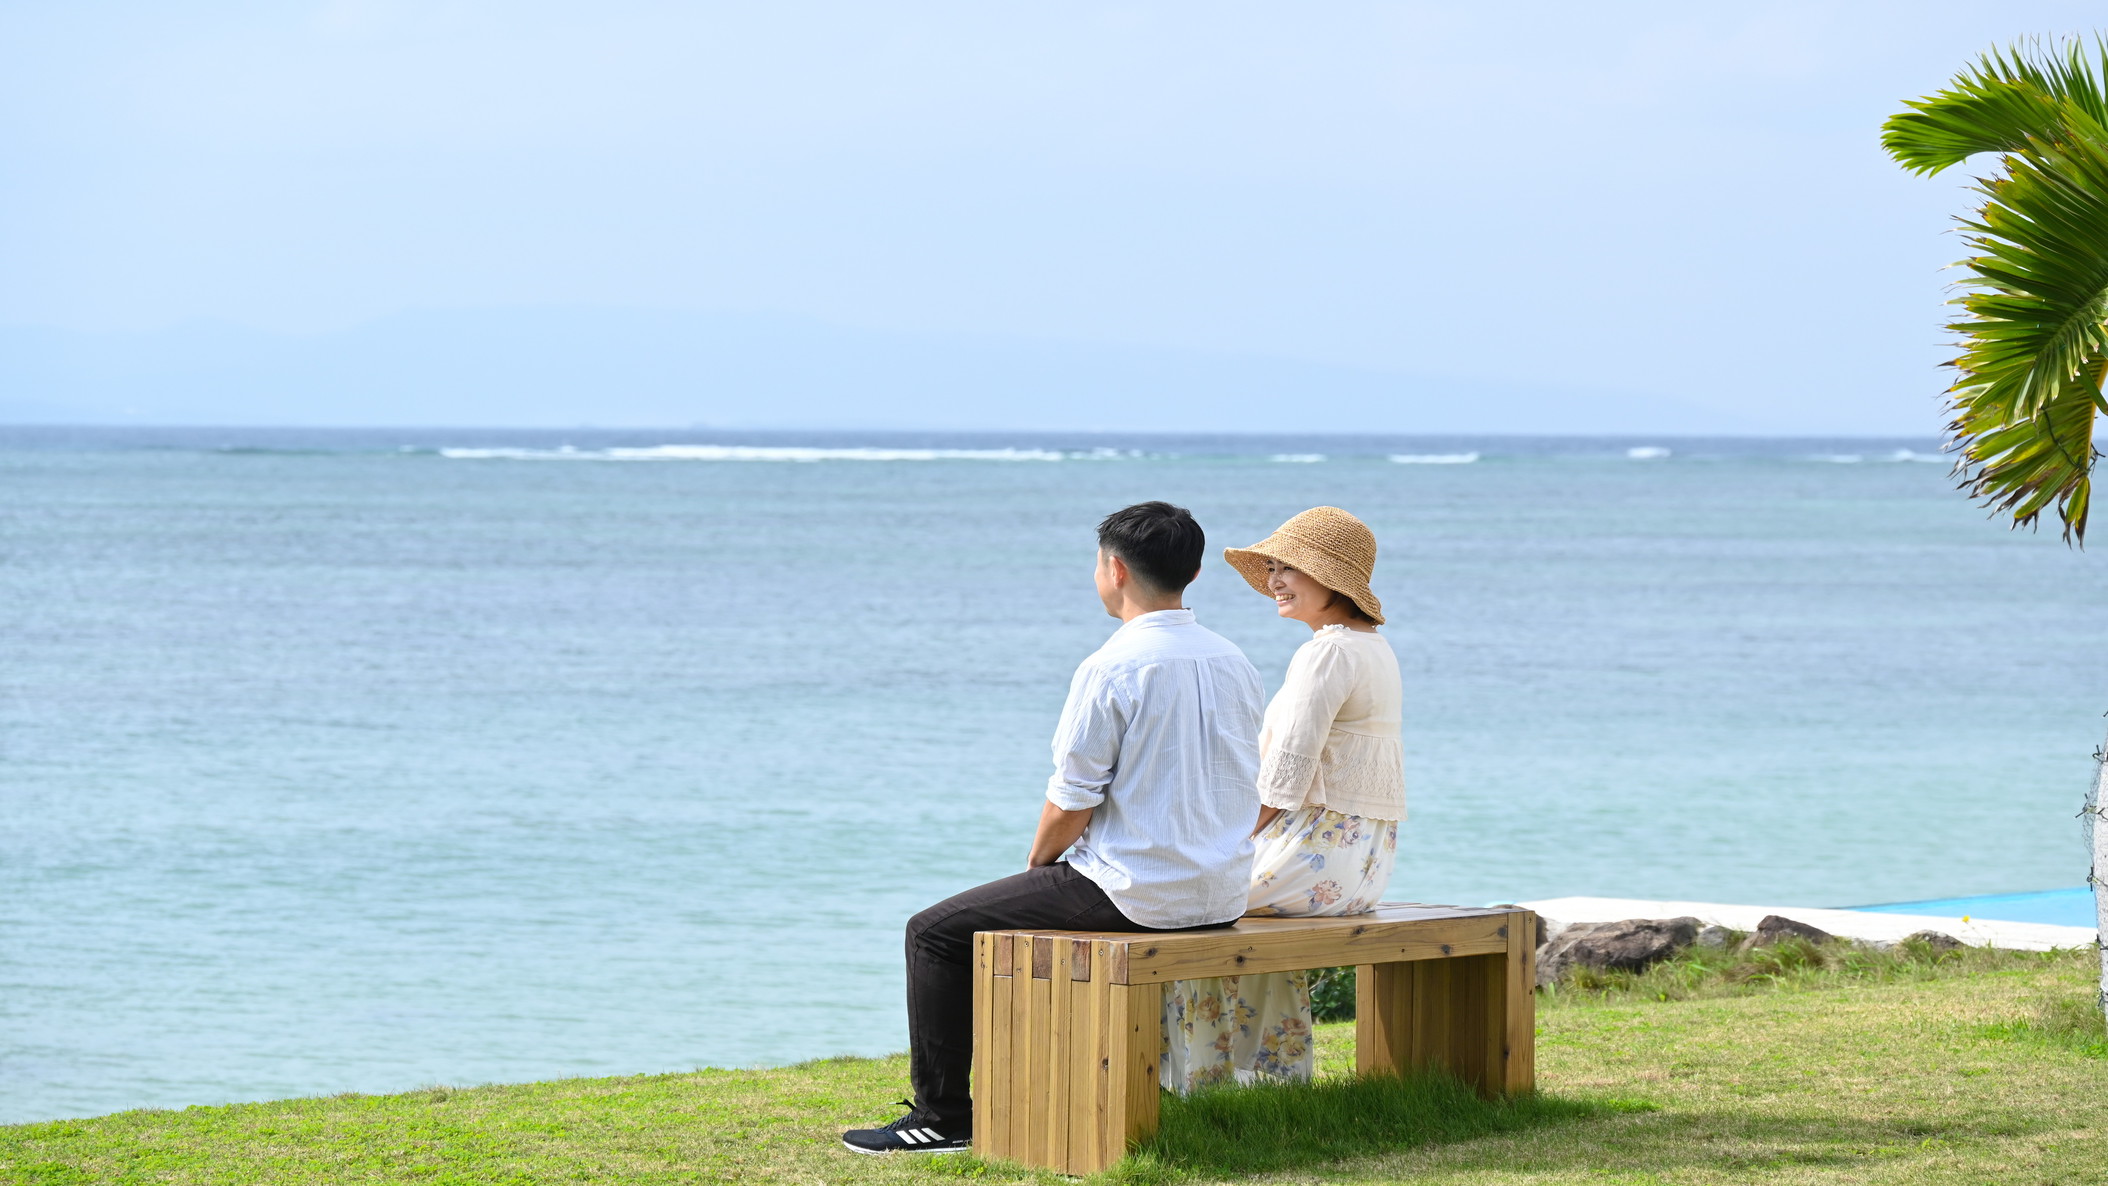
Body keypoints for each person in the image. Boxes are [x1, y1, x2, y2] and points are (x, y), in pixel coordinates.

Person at [842, 501, 1264, 1155]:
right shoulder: (1235, 660)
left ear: (1114, 569)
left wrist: (1039, 867)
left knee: (932, 934)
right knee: (978, 919)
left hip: (1137, 893)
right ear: (1196, 571)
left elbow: (1071, 802)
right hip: (1221, 892)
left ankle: (944, 1115)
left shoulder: (1111, 667)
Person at [1160, 506, 1404, 1093]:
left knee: (1171, 904)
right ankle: (1270, 1073)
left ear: (1332, 577)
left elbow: (1286, 772)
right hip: (1361, 869)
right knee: (1213, 907)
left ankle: (1194, 1078)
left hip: (1314, 856)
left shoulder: (1328, 652)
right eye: (1271, 567)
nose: (1273, 580)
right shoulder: (1374, 649)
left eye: (1288, 567)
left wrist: (1227, 839)